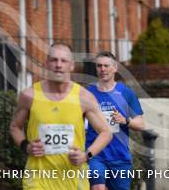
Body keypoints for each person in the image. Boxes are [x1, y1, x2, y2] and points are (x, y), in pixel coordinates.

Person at [10, 43, 112, 190]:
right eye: (54, 60)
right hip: (38, 181)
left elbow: (106, 132)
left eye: (64, 61)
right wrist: (26, 146)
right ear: (46, 64)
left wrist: (86, 155)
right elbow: (15, 127)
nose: (58, 65)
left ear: (71, 66)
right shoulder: (29, 95)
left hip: (73, 181)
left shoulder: (84, 97)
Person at [86, 51, 145, 190]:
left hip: (119, 157)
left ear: (115, 68)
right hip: (95, 155)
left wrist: (126, 121)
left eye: (106, 66)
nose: (103, 69)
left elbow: (141, 124)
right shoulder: (88, 93)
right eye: (99, 66)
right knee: (98, 187)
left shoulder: (126, 93)